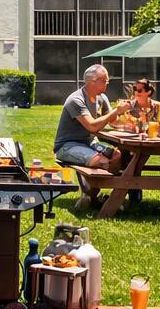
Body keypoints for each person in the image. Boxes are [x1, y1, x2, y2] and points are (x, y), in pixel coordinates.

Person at [53, 64, 129, 209]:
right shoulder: (76, 100)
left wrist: (130, 125)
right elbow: (92, 126)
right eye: (104, 80)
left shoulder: (102, 98)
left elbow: (113, 121)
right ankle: (93, 194)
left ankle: (94, 194)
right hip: (68, 146)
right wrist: (116, 111)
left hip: (90, 142)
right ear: (92, 81)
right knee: (102, 161)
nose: (107, 83)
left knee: (117, 156)